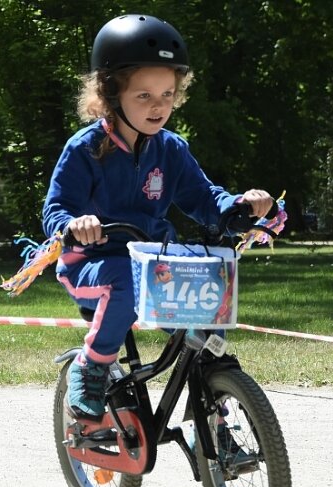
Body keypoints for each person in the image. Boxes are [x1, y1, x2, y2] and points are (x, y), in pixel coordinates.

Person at [42, 14, 274, 421]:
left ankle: (213, 404)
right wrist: (74, 226)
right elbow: (55, 210)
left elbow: (203, 197)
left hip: (154, 263)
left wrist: (238, 207)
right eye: (144, 96)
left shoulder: (170, 149)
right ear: (112, 93)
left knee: (206, 315)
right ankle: (91, 366)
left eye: (167, 94)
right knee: (124, 284)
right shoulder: (86, 148)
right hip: (92, 265)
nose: (159, 106)